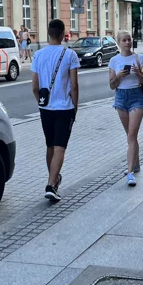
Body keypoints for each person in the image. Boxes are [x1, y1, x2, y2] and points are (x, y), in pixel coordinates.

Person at [30, 19, 80, 202]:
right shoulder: (70, 54)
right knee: (60, 147)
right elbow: (74, 85)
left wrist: (41, 103)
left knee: (50, 145)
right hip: (64, 108)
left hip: (46, 109)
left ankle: (53, 179)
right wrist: (75, 106)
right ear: (62, 34)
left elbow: (34, 87)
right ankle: (51, 184)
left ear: (49, 33)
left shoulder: (38, 55)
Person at [109, 30, 143, 186]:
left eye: (129, 39)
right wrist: (118, 76)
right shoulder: (114, 60)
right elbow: (112, 85)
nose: (127, 42)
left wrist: (139, 74)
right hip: (121, 97)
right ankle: (135, 164)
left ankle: (130, 173)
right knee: (130, 136)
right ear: (118, 43)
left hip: (136, 97)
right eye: (124, 40)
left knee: (132, 135)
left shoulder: (140, 58)